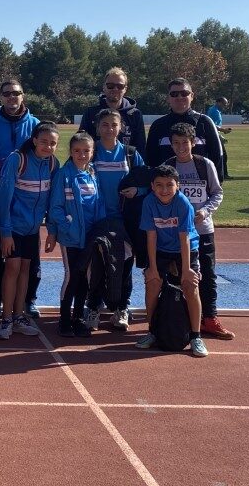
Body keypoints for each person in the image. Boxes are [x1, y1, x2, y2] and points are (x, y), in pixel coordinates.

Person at [161, 123, 234, 341]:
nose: (181, 147)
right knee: (176, 276)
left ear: (193, 143)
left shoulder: (205, 165)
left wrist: (204, 211)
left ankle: (209, 318)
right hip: (175, 234)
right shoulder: (168, 166)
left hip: (202, 230)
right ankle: (180, 318)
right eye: (176, 143)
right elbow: (160, 196)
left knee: (207, 275)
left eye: (185, 142)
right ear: (171, 144)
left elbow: (217, 193)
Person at [0, 122, 59, 339]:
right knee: (12, 269)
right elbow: (3, 197)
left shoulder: (52, 164)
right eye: (44, 142)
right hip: (13, 227)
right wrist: (5, 232)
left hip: (32, 230)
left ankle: (19, 316)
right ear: (34, 140)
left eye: (53, 143)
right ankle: (6, 320)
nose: (48, 147)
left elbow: (52, 200)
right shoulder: (17, 159)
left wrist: (51, 229)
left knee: (25, 271)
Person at [135, 164, 208, 358]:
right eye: (159, 185)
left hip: (185, 249)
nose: (164, 190)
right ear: (152, 186)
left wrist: (187, 269)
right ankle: (152, 331)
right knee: (152, 283)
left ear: (178, 185)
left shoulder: (183, 204)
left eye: (169, 185)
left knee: (190, 286)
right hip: (161, 249)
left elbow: (184, 238)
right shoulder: (149, 202)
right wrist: (152, 268)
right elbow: (151, 236)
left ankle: (196, 336)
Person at [88, 109, 147, 331]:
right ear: (97, 127)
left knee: (125, 265)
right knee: (97, 267)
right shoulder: (90, 151)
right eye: (105, 124)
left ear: (121, 127)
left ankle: (122, 308)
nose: (109, 129)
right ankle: (93, 307)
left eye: (114, 124)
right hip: (97, 219)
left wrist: (138, 191)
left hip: (125, 220)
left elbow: (147, 183)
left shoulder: (130, 154)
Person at [49, 132, 106, 338]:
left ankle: (78, 318)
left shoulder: (92, 174)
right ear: (70, 152)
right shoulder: (63, 175)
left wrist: (100, 230)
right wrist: (67, 226)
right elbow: (55, 207)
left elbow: (98, 204)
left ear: (92, 152)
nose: (82, 155)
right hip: (71, 237)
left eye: (86, 151)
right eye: (77, 151)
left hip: (90, 237)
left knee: (84, 278)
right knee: (71, 276)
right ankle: (64, 319)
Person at [145, 77, 223, 170]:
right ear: (168, 98)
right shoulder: (158, 126)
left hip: (201, 179)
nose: (179, 97)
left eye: (184, 93)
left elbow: (217, 157)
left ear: (192, 96)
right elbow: (150, 160)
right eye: (174, 94)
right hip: (166, 179)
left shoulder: (205, 122)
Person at [77, 67, 146, 150]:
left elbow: (140, 148)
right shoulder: (91, 113)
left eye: (120, 86)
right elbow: (80, 144)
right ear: (104, 87)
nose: (115, 89)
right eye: (110, 86)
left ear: (125, 89)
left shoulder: (135, 115)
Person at [206, 96, 232, 181]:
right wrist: (223, 130)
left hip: (216, 134)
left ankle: (222, 174)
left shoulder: (215, 110)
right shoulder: (214, 111)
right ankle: (222, 174)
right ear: (218, 102)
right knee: (222, 155)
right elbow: (212, 125)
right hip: (213, 135)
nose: (225, 106)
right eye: (224, 104)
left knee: (221, 155)